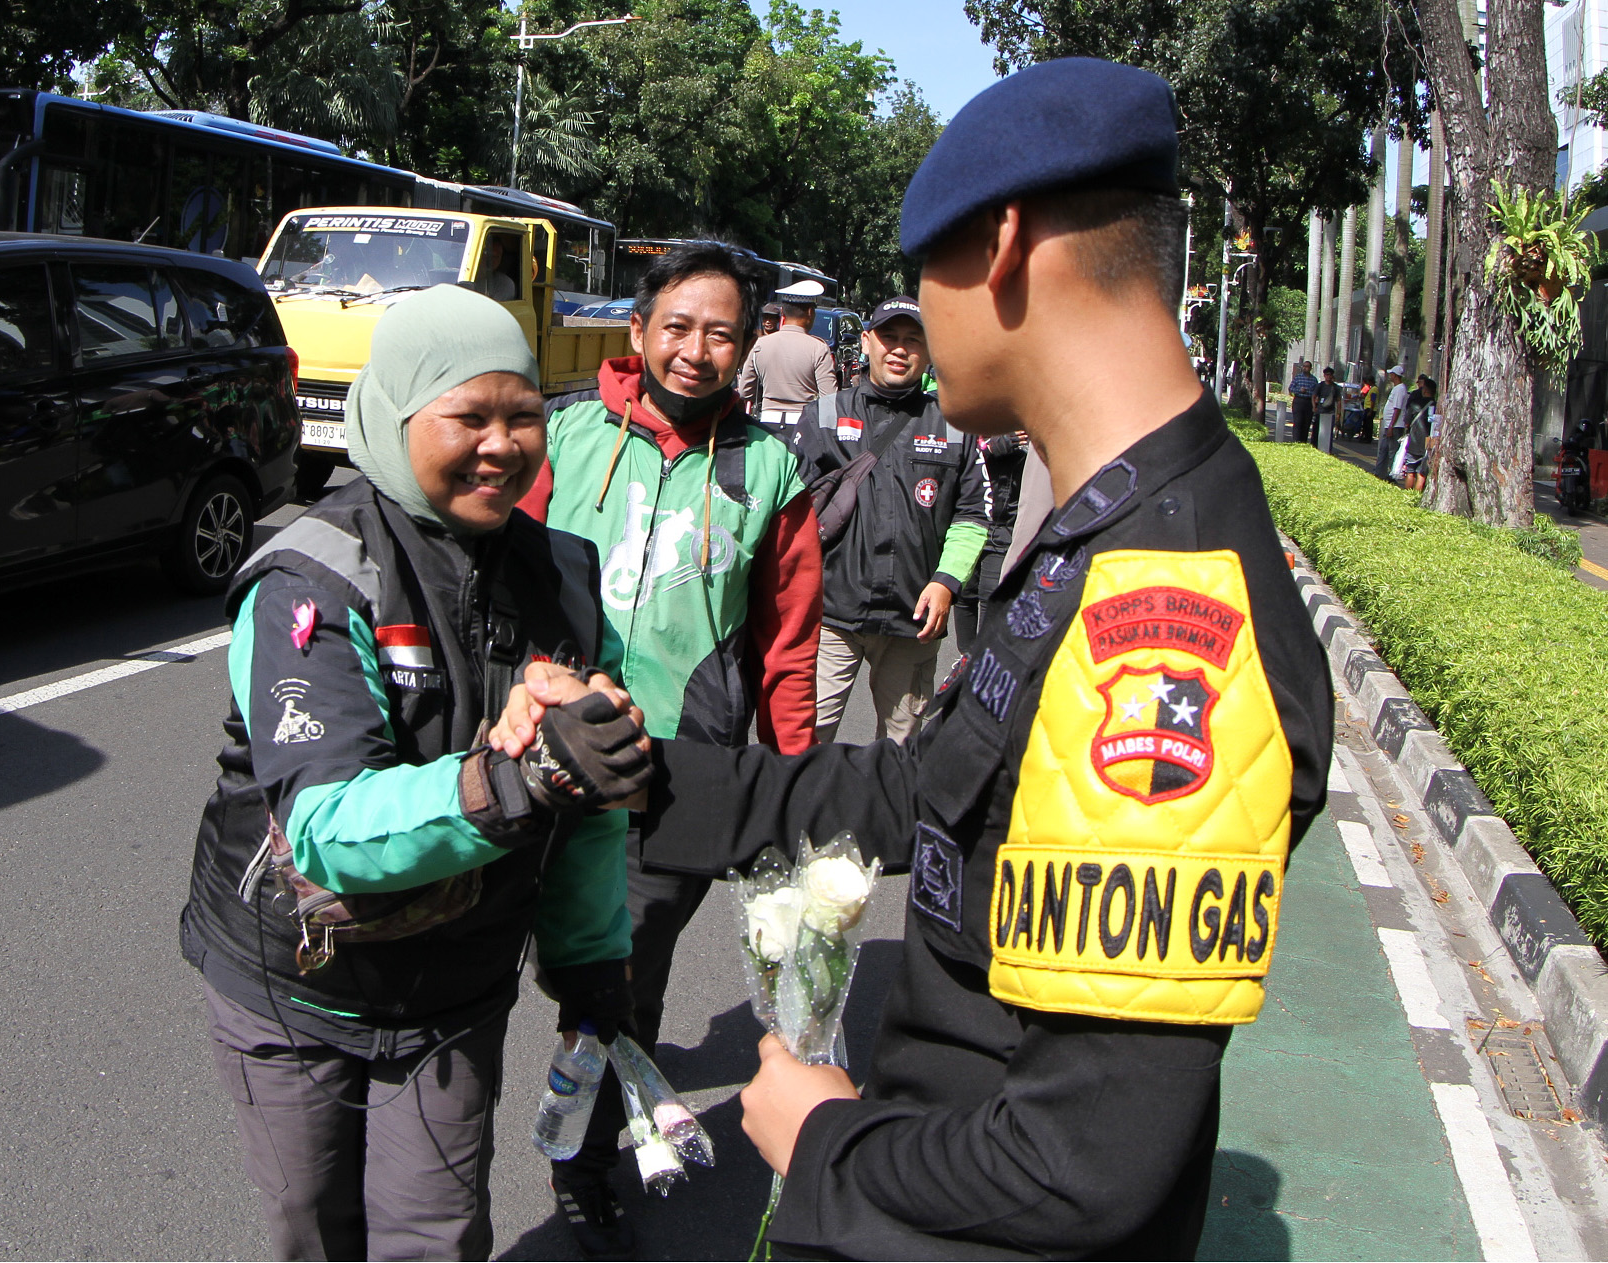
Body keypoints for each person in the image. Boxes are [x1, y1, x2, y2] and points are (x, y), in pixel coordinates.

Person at [496, 57, 1332, 1259]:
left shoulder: (1162, 604)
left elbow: (1080, 1163)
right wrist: (637, 776)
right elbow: (915, 792)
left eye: (917, 277)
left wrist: (822, 1138)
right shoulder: (1101, 533)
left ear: (996, 251)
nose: (913, 322)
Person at [179, 286, 650, 1261]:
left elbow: (588, 802)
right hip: (295, 979)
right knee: (316, 1231)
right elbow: (323, 821)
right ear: (393, 416)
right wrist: (507, 782)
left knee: (433, 1238)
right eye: (466, 416)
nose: (500, 444)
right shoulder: (314, 572)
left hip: (456, 986)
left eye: (522, 415)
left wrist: (591, 965)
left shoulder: (561, 573)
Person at [518, 238, 821, 1255]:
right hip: (536, 755)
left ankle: (580, 1160)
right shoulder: (558, 438)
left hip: (673, 778)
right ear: (637, 330)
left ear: (745, 347)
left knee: (619, 983)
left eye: (720, 332)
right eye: (677, 326)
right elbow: (492, 583)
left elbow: (785, 645)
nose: (695, 350)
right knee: (490, 960)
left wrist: (788, 788)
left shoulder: (769, 469)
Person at [794, 295, 988, 744]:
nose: (899, 350)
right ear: (866, 342)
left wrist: (946, 582)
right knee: (806, 739)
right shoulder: (823, 415)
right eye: (888, 338)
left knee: (902, 747)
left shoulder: (955, 423)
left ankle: (884, 817)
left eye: (912, 340)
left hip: (913, 622)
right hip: (831, 614)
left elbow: (974, 515)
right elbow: (787, 513)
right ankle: (804, 816)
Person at [954, 428, 1029, 647]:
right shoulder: (975, 416)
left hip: (1005, 524)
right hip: (972, 518)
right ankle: (965, 659)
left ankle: (983, 658)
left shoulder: (1025, 418)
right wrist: (991, 447)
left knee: (991, 593)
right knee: (964, 594)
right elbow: (962, 456)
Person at [738, 292, 839, 433]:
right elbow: (829, 398)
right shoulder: (818, 348)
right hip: (804, 425)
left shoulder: (759, 345)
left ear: (782, 313)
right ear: (810, 312)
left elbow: (745, 391)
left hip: (767, 423)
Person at [1402, 374, 1439, 490]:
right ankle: (1417, 496)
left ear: (1425, 390)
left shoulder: (1414, 405)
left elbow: (1407, 423)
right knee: (1422, 473)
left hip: (1413, 442)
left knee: (1410, 471)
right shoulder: (1437, 406)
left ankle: (1407, 495)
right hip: (1429, 443)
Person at [1376, 368, 1411, 482]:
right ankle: (1380, 472)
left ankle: (1392, 474)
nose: (1390, 376)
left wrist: (1391, 425)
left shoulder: (1400, 389)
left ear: (1395, 375)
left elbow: (1397, 409)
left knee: (1392, 451)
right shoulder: (1396, 388)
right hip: (1389, 425)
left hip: (1395, 426)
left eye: (1391, 374)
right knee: (1384, 449)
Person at [1311, 366, 1340, 447]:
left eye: (1330, 375)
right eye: (1327, 375)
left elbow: (1338, 401)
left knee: (1329, 432)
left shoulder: (1335, 387)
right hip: (1320, 411)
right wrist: (1314, 407)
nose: (1328, 376)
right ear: (1324, 375)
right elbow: (1313, 396)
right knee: (1316, 430)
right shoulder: (1320, 385)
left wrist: (1338, 413)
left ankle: (1327, 448)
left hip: (1330, 412)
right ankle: (1314, 445)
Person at [1287, 361, 1316, 441]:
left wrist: (1308, 392)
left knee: (1306, 424)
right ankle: (1296, 440)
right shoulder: (1298, 377)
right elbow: (1291, 388)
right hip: (1298, 401)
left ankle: (1303, 441)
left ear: (1310, 368)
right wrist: (1299, 390)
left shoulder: (1314, 380)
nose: (1305, 368)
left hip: (1309, 402)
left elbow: (1316, 392)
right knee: (1298, 422)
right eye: (1304, 366)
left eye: (1307, 366)